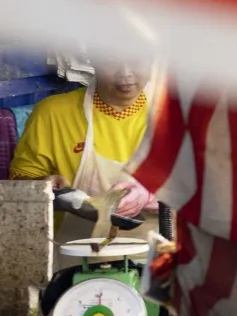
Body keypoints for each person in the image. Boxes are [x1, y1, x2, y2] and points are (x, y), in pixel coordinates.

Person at [12, 61, 156, 221]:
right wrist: (43, 184)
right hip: (71, 241)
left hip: (160, 239)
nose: (125, 73)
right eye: (112, 61)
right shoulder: (52, 113)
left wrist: (150, 195)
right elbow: (18, 187)